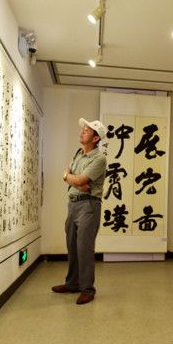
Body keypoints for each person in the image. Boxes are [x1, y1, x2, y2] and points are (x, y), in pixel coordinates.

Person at [52, 118, 107, 305]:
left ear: (96, 138)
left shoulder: (99, 159)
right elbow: (70, 175)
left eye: (87, 130)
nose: (82, 131)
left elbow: (81, 180)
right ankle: (72, 283)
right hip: (73, 204)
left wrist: (71, 178)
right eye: (83, 129)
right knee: (72, 246)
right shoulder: (78, 153)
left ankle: (87, 290)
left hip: (88, 206)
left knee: (84, 249)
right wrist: (71, 178)